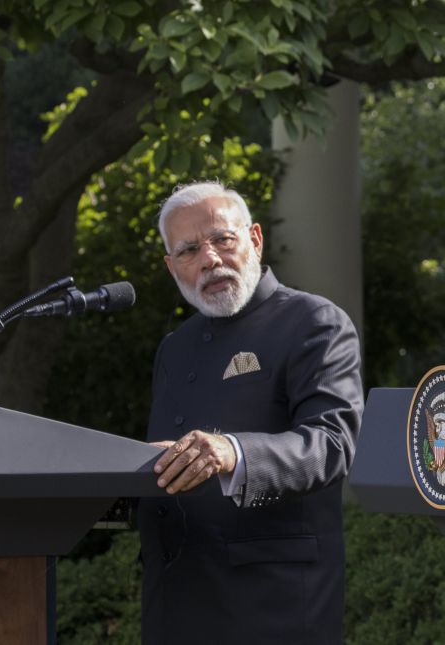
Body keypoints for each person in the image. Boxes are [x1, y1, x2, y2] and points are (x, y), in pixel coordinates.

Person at [138, 181, 363, 644]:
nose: (210, 259)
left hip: (272, 606)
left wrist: (231, 451)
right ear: (171, 266)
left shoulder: (314, 322)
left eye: (223, 239)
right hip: (175, 603)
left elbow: (333, 444)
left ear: (255, 239)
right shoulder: (174, 348)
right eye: (189, 250)